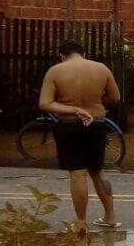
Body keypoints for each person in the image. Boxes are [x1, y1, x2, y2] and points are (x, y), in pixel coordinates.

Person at [38, 40, 121, 228]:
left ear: (62, 55)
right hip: (97, 123)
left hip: (68, 125)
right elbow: (115, 98)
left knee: (77, 174)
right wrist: (95, 101)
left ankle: (81, 222)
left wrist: (74, 109)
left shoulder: (56, 71)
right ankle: (110, 217)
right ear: (82, 53)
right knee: (97, 170)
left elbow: (45, 103)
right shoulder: (101, 69)